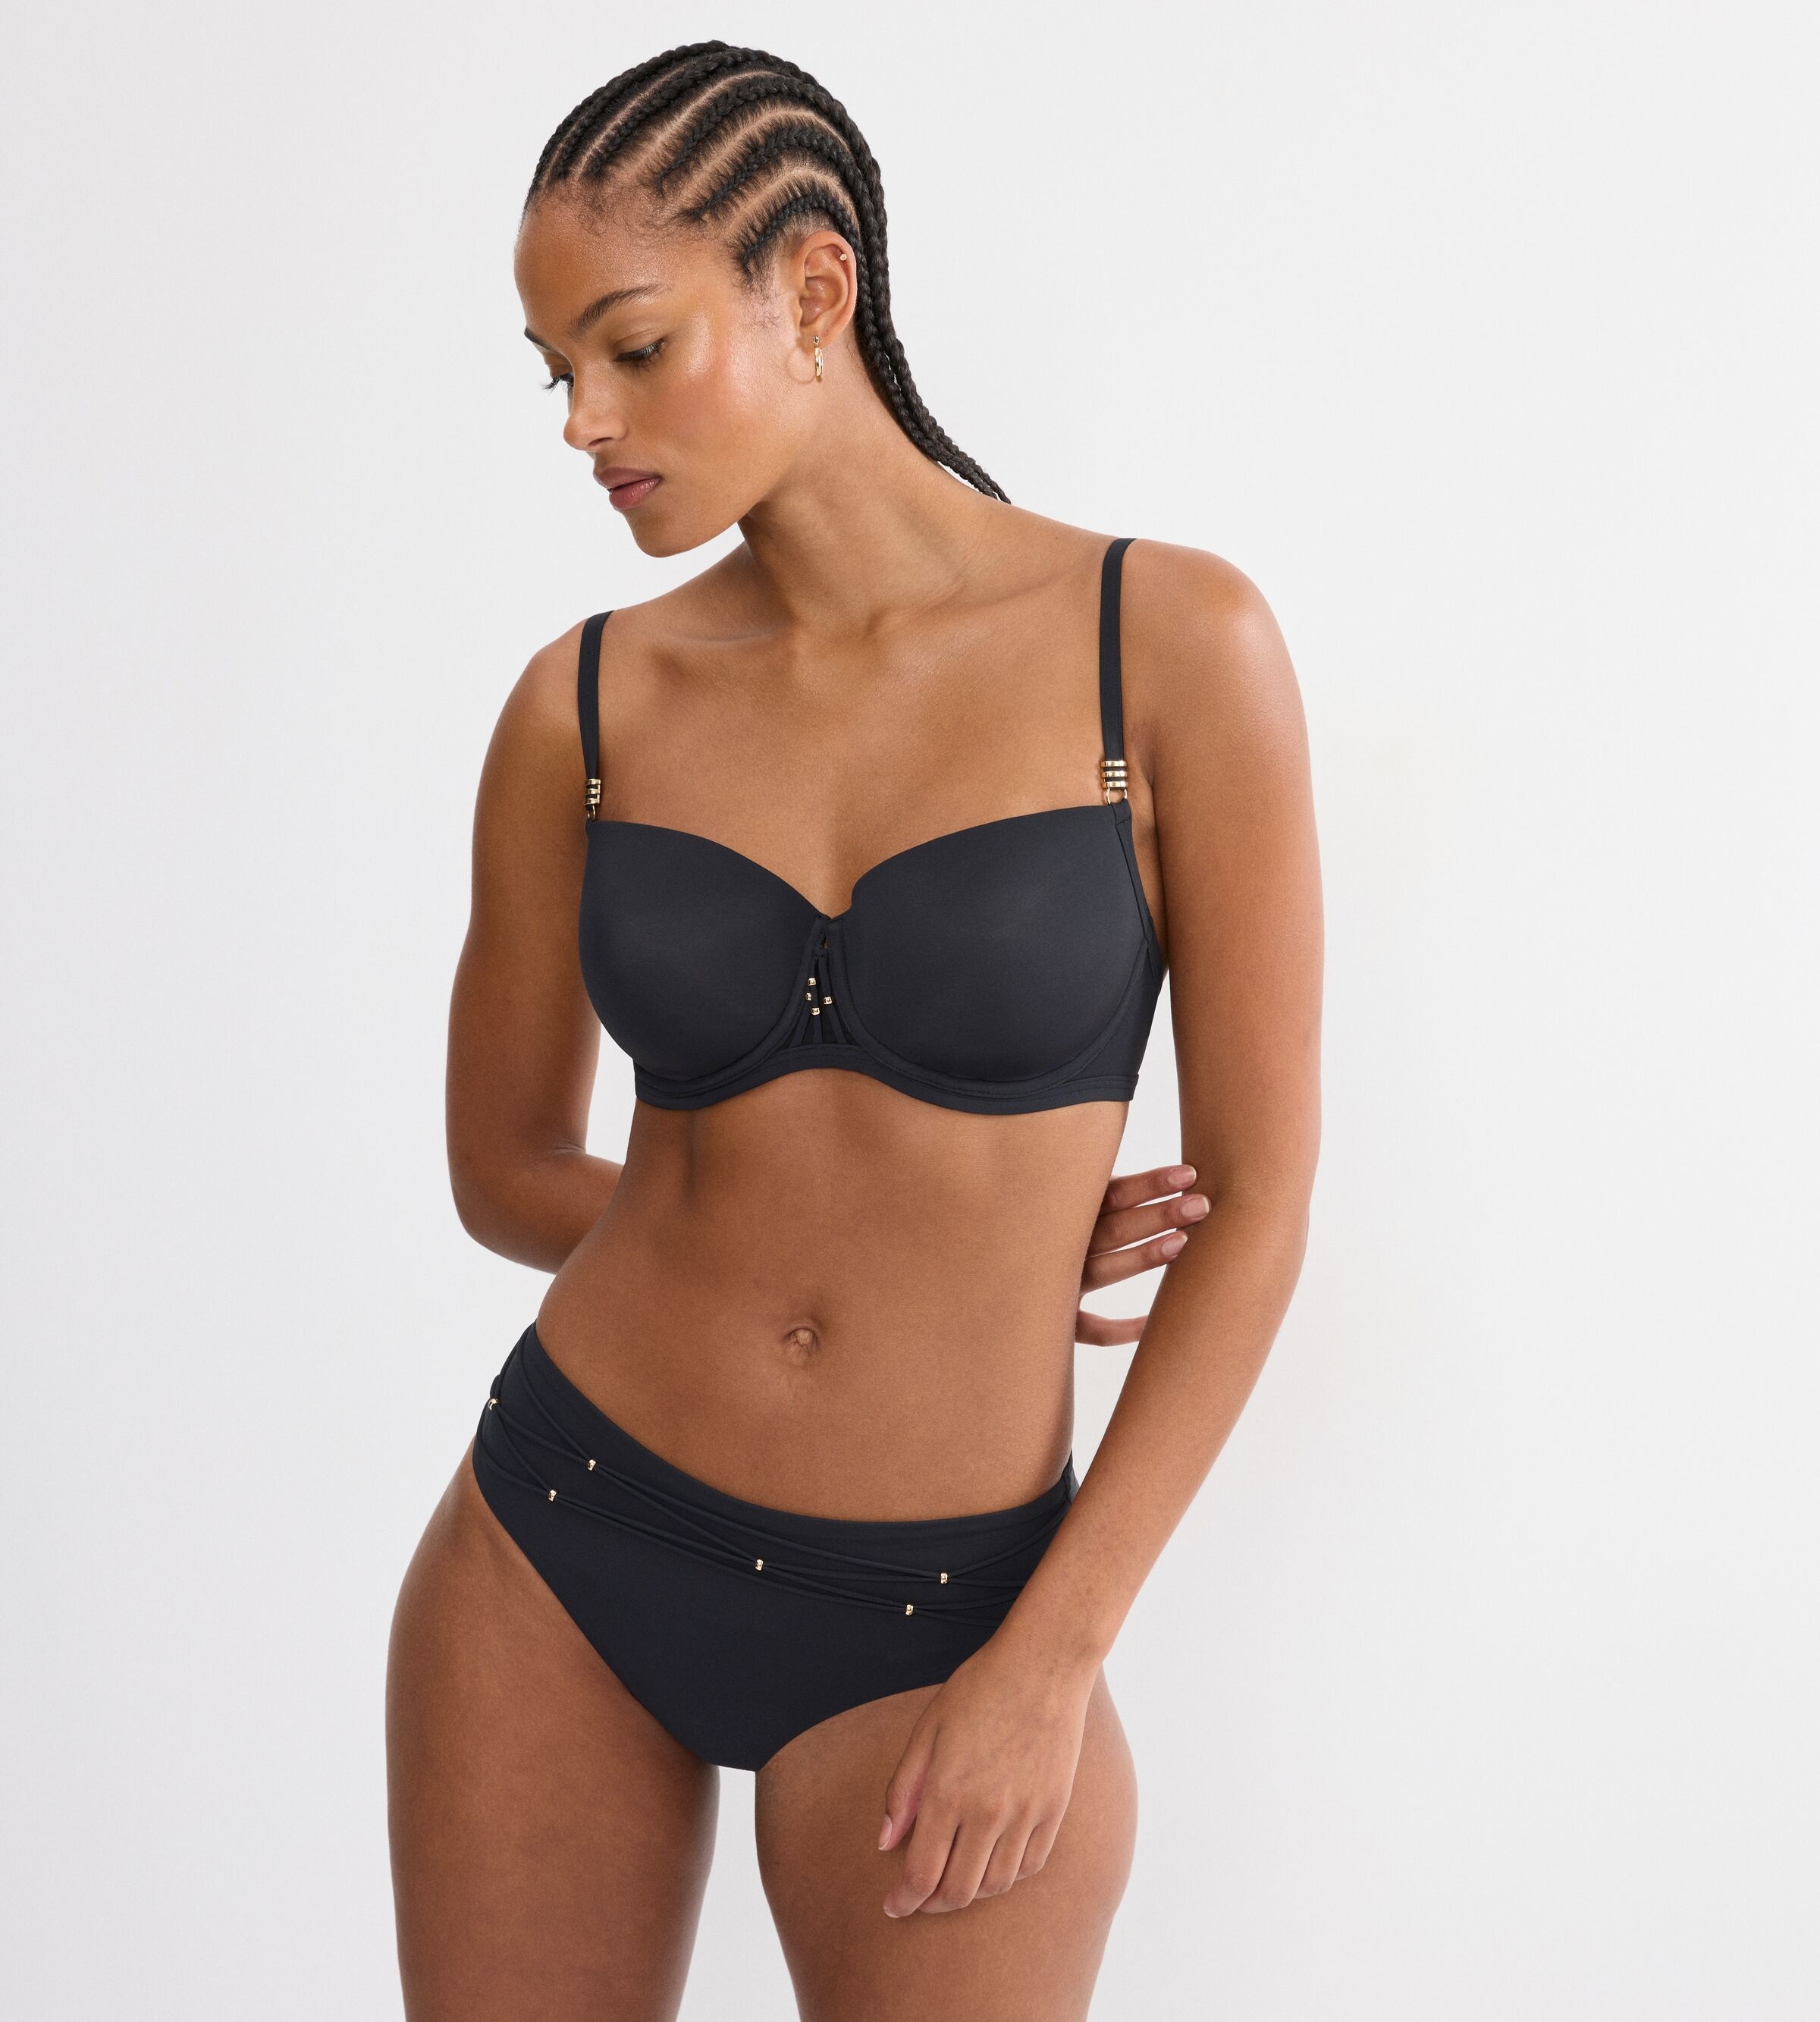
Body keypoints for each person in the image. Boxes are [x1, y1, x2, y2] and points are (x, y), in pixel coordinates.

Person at [386, 40, 1322, 2022]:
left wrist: (1053, 1658)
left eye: (634, 348)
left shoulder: (1167, 650)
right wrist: (920, 1245)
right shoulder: (583, 708)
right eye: (555, 371)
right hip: (561, 1541)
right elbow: (502, 1168)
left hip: (952, 1618)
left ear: (814, 290)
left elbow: (1256, 1203)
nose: (586, 421)